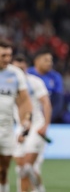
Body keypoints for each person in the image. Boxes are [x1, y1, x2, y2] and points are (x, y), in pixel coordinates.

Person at [12, 54, 51, 192]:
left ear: (26, 68)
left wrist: (45, 125)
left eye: (22, 69)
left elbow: (46, 103)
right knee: (21, 170)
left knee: (27, 167)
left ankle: (39, 190)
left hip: (36, 127)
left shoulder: (35, 82)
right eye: (17, 69)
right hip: (20, 127)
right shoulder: (8, 84)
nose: (20, 72)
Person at [0, 39, 32, 192]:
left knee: (3, 169)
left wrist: (26, 122)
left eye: (9, 55)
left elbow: (24, 101)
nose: (7, 59)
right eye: (3, 55)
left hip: (6, 129)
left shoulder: (15, 74)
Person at [27, 50, 63, 123]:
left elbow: (58, 102)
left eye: (51, 60)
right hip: (27, 116)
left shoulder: (55, 77)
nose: (50, 63)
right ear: (36, 61)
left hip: (47, 117)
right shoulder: (27, 74)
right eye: (46, 60)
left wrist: (47, 119)